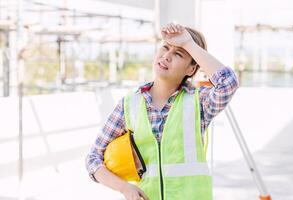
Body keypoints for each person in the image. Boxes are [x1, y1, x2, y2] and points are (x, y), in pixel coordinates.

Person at [85, 23, 239, 200]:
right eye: (165, 48)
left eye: (178, 53)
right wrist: (124, 188)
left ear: (191, 69)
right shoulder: (129, 105)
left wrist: (188, 43)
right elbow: (93, 159)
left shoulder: (199, 102)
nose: (167, 56)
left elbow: (228, 83)